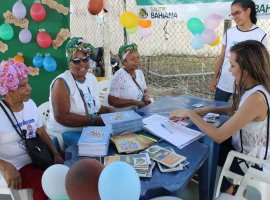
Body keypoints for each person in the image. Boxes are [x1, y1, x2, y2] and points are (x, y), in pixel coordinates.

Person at [170, 40, 270, 195]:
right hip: (245, 149)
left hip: (252, 163)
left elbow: (219, 135)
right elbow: (236, 109)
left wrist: (189, 113)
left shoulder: (256, 98)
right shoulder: (256, 88)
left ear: (247, 69)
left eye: (233, 65)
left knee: (200, 152)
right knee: (203, 143)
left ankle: (229, 190)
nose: (229, 70)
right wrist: (207, 110)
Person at [0, 60, 63, 200]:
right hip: (19, 166)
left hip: (39, 156)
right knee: (46, 184)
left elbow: (41, 131)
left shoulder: (30, 104)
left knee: (68, 166)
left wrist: (56, 153)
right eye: (23, 86)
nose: (29, 88)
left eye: (28, 83)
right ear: (8, 90)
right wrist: (6, 167)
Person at [47, 37, 114, 146]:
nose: (82, 63)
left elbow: (95, 106)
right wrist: (94, 121)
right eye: (76, 60)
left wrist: (110, 111)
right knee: (99, 146)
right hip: (65, 131)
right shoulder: (62, 82)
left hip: (89, 128)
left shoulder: (91, 78)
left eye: (85, 59)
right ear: (69, 63)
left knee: (118, 138)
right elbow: (62, 117)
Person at [210, 0, 267, 102]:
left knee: (239, 115)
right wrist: (215, 78)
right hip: (224, 82)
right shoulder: (230, 32)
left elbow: (260, 63)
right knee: (216, 114)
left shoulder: (260, 35)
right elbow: (222, 56)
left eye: (237, 12)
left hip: (245, 86)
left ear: (248, 11)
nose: (235, 17)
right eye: (232, 14)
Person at [108, 43, 151, 111]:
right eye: (132, 59)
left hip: (138, 112)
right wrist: (134, 102)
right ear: (124, 61)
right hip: (124, 115)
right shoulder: (119, 76)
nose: (137, 61)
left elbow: (144, 90)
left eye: (138, 57)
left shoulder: (139, 73)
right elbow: (112, 101)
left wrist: (146, 97)